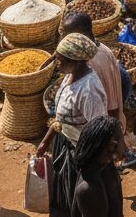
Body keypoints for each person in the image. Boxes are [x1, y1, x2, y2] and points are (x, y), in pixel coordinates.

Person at [35, 33, 107, 217]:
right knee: (63, 196)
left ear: (76, 62)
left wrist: (86, 164)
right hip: (65, 145)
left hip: (82, 155)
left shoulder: (89, 91)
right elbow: (60, 118)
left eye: (60, 59)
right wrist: (45, 141)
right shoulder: (69, 76)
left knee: (79, 201)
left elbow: (99, 133)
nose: (56, 63)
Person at [63, 12, 124, 129]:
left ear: (82, 35)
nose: (66, 40)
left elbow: (112, 105)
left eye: (69, 36)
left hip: (103, 126)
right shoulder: (87, 54)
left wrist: (113, 131)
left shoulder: (98, 59)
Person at [71, 115, 121, 217]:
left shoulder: (107, 168)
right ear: (112, 146)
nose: (125, 148)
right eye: (121, 140)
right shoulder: (89, 189)